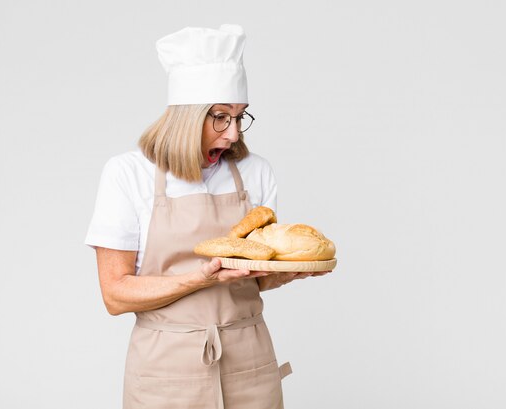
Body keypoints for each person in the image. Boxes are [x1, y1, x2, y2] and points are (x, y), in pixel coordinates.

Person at [85, 25, 328, 409]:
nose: (233, 134)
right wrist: (198, 277)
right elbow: (115, 295)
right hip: (166, 369)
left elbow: (251, 281)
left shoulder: (256, 171)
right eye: (219, 117)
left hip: (248, 359)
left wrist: (286, 272)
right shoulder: (127, 174)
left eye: (240, 117)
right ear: (185, 116)